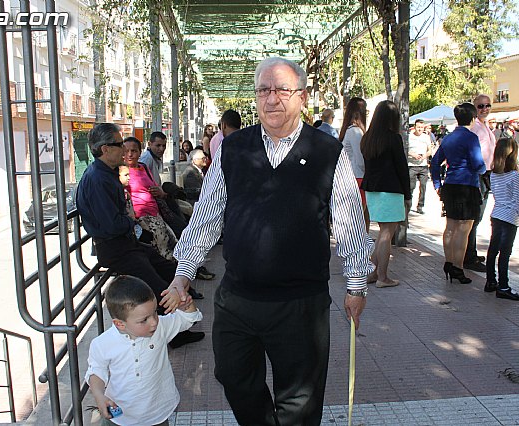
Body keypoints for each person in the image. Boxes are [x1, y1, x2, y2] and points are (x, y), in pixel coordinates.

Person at [167, 57, 373, 425]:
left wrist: (356, 285)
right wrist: (183, 272)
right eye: (264, 90)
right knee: (232, 377)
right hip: (238, 299)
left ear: (302, 97)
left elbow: (348, 220)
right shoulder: (233, 149)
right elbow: (207, 215)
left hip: (300, 306)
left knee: (299, 403)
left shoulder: (329, 152)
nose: (272, 99)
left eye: (282, 90)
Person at [75, 123, 204, 348]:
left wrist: (130, 221)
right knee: (156, 286)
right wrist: (131, 217)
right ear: (105, 149)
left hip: (128, 244)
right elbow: (112, 224)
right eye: (119, 145)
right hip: (116, 249)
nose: (125, 151)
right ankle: (175, 334)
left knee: (169, 269)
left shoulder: (107, 174)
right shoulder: (98, 179)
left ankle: (180, 322)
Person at [86, 275, 203, 425]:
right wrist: (99, 395)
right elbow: (96, 371)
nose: (154, 322)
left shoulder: (161, 328)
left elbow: (188, 319)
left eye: (155, 312)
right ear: (120, 324)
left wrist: (185, 304)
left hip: (157, 414)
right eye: (144, 320)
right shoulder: (103, 344)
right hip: (119, 417)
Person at [431, 103, 486, 285]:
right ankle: (458, 267)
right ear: (472, 118)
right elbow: (478, 163)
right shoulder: (471, 138)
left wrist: (438, 183)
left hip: (450, 185)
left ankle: (449, 262)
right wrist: (484, 168)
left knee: (450, 226)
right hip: (467, 185)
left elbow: (435, 162)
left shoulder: (448, 138)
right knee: (464, 228)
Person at [360, 100, 411, 287]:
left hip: (372, 189)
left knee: (383, 231)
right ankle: (382, 277)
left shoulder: (367, 138)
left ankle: (373, 272)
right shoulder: (393, 138)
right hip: (391, 189)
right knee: (386, 233)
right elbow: (401, 168)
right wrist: (408, 194)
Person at [123, 137, 178, 262]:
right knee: (164, 250)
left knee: (174, 242)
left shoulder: (144, 167)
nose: (130, 154)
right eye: (126, 151)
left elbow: (155, 185)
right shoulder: (122, 172)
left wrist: (159, 192)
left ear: (140, 151)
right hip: (141, 218)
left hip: (156, 213)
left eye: (134, 150)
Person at [484, 137, 519, 301]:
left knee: (493, 249)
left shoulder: (494, 174)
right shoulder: (514, 175)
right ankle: (503, 285)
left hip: (497, 213)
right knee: (505, 252)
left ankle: (490, 281)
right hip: (509, 217)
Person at [464, 94, 495, 272]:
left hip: (487, 174)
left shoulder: (486, 126)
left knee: (478, 216)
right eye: (481, 106)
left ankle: (470, 251)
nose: (485, 109)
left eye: (487, 105)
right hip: (478, 174)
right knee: (474, 216)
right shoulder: (474, 127)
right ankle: (469, 255)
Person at [339, 97, 369, 231]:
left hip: (353, 177)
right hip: (358, 177)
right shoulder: (356, 132)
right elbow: (360, 159)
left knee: (357, 219)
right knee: (357, 220)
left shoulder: (349, 130)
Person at [407, 119, 432, 214]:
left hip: (423, 165)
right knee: (411, 187)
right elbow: (405, 149)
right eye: (418, 127)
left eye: (422, 127)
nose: (420, 129)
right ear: (415, 127)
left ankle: (420, 206)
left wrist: (425, 155)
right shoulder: (409, 137)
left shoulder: (426, 137)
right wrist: (412, 154)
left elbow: (430, 150)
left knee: (423, 186)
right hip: (412, 165)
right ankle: (408, 205)